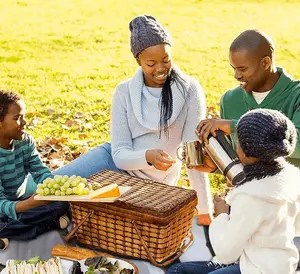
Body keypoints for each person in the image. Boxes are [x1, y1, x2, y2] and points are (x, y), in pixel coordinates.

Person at [53, 15, 213, 225]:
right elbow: (119, 155)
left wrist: (205, 211)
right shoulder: (124, 92)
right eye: (151, 63)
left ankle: (61, 217)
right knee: (49, 189)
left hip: (149, 185)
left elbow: (193, 156)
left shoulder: (190, 90)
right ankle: (13, 210)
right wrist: (147, 156)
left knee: (73, 208)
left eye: (166, 60)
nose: (160, 68)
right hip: (112, 164)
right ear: (138, 61)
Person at [166, 109, 300, 274]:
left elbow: (226, 252)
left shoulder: (251, 197)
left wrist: (222, 215)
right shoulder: (292, 177)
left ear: (244, 151)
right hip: (274, 268)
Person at [195, 29, 300, 258]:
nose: (236, 76)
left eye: (242, 69)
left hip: (288, 209)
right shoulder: (230, 99)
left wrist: (235, 125)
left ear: (266, 62)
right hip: (248, 208)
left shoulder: (296, 95)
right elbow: (241, 160)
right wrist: (215, 165)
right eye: (233, 68)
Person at [0, 90, 70, 242]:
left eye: (23, 116)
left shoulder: (25, 141)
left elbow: (39, 171)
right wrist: (28, 205)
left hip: (21, 202)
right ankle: (46, 225)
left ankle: (14, 231)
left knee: (65, 203)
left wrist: (53, 189)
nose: (24, 122)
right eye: (17, 118)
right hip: (5, 207)